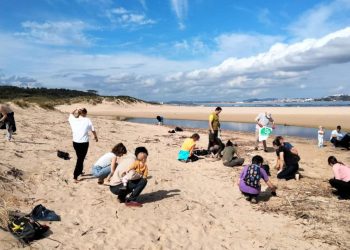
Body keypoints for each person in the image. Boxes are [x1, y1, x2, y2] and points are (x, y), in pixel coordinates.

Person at [68, 108, 98, 183]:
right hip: (84, 143)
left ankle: (80, 171)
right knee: (80, 159)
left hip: (75, 142)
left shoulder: (73, 119)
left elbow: (71, 113)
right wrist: (95, 137)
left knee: (80, 157)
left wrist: (75, 109)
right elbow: (93, 129)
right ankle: (75, 176)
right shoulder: (87, 120)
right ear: (84, 113)